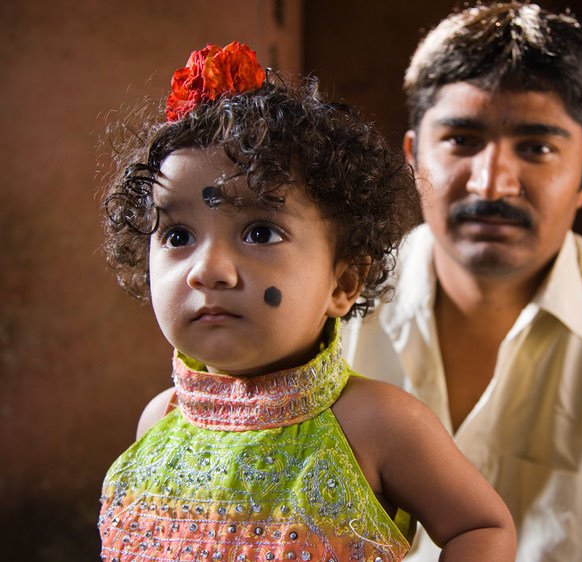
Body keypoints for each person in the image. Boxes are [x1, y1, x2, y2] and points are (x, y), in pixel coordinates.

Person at [341, 3, 582, 561]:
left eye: (536, 147)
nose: (493, 182)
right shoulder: (326, 313)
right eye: (461, 139)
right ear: (414, 157)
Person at [97, 41, 515, 562]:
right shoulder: (160, 422)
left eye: (259, 232)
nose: (207, 269)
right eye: (178, 236)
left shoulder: (376, 424)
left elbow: (481, 527)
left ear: (343, 282)